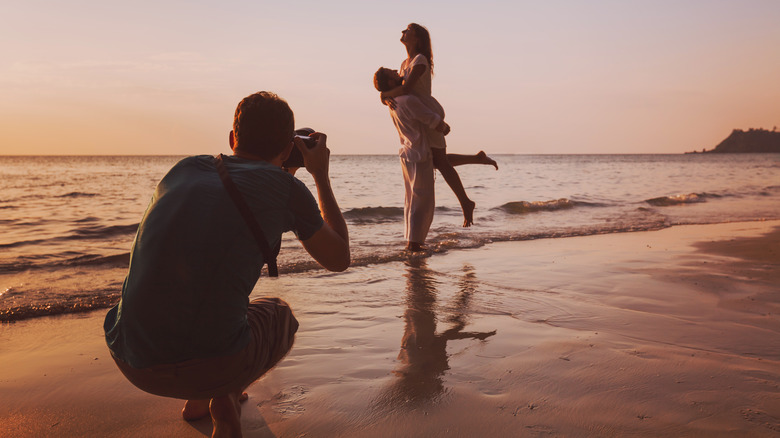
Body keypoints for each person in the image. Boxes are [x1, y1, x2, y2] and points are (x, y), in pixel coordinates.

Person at [103, 91, 350, 438]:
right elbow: (339, 258)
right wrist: (320, 175)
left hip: (129, 355)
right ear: (284, 150)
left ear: (233, 138)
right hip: (210, 365)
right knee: (279, 315)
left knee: (200, 294)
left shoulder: (186, 168)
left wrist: (283, 168)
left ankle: (199, 401)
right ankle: (225, 395)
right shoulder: (286, 191)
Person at [380, 23, 496, 227]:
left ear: (417, 39)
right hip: (419, 117)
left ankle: (466, 202)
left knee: (440, 162)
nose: (403, 32)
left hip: (429, 114)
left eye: (408, 30)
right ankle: (477, 159)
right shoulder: (403, 63)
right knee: (433, 160)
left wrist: (385, 94)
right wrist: (384, 96)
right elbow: (398, 88)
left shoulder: (420, 60)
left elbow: (406, 89)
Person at [374, 67, 496, 252]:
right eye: (392, 73)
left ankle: (413, 242)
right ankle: (414, 244)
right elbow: (430, 118)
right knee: (422, 202)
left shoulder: (393, 102)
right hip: (419, 153)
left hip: (408, 154)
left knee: (414, 197)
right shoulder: (406, 100)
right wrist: (443, 126)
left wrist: (383, 95)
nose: (396, 71)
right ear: (391, 83)